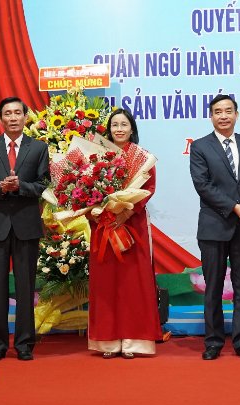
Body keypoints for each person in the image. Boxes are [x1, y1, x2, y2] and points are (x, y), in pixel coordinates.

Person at [0, 97, 50, 361]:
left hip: (27, 226)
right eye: (8, 113)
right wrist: (0, 188)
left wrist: (20, 187)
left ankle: (25, 344)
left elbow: (43, 185)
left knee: (26, 288)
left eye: (18, 112)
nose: (13, 117)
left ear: (25, 117)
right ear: (1, 118)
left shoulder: (38, 148)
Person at [87, 108, 161, 359]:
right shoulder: (96, 156)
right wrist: (98, 212)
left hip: (133, 224)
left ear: (132, 128)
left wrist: (125, 214)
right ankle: (107, 342)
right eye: (115, 124)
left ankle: (134, 342)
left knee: (133, 283)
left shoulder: (143, 158)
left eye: (124, 124)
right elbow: (84, 190)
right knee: (106, 283)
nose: (119, 129)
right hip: (103, 226)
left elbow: (148, 188)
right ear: (109, 129)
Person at [190, 94, 240, 360]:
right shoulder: (200, 146)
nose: (223, 116)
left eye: (228, 111)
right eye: (218, 111)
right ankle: (214, 341)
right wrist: (234, 206)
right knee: (214, 287)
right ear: (211, 116)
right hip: (214, 226)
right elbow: (203, 185)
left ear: (236, 114)